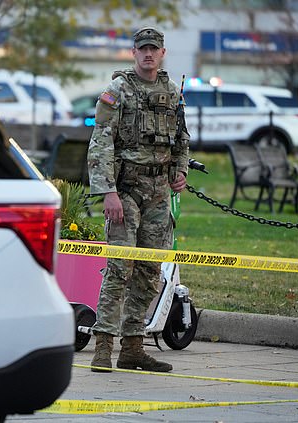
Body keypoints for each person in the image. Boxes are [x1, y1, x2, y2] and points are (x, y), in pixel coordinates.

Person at [87, 27, 189, 373]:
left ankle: (132, 348)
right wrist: (108, 193)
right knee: (119, 267)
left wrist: (181, 170)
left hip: (159, 193)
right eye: (143, 49)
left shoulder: (172, 92)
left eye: (154, 49)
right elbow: (100, 142)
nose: (148, 54)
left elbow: (182, 138)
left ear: (162, 53)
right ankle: (103, 346)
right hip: (126, 191)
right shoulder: (118, 90)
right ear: (134, 52)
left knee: (148, 271)